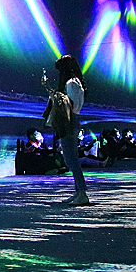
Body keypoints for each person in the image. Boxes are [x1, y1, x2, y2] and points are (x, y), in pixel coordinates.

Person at [44, 55, 89, 206]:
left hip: (69, 122)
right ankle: (78, 192)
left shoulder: (71, 83)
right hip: (72, 120)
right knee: (72, 158)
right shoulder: (75, 82)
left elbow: (71, 106)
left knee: (71, 160)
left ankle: (82, 193)